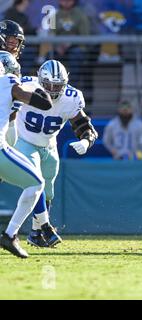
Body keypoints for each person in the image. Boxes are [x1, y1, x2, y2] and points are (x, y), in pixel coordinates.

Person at [13, 60, 98, 248]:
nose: (52, 90)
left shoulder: (71, 97)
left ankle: (35, 233)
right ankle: (46, 228)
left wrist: (86, 140)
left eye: (57, 85)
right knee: (35, 183)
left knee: (48, 191)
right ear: (40, 81)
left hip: (49, 145)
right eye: (48, 85)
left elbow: (84, 125)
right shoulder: (25, 86)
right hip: (23, 141)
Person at [0, 52, 54, 258]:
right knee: (36, 183)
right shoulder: (8, 83)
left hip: (4, 145)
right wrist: (39, 87)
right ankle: (10, 234)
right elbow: (45, 104)